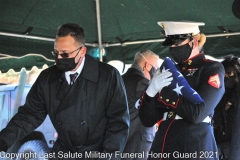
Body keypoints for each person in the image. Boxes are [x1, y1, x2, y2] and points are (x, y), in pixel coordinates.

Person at [0, 23, 130, 159]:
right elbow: (29, 116)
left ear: (82, 51)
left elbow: (118, 122)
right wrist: (3, 141)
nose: (59, 58)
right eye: (56, 53)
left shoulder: (107, 76)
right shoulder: (47, 79)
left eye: (65, 54)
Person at [138, 21, 225, 160]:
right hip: (164, 142)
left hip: (194, 143)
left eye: (177, 44)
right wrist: (150, 93)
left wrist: (164, 94)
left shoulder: (211, 68)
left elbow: (197, 114)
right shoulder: (170, 70)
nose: (173, 49)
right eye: (171, 45)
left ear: (194, 42)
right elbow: (147, 120)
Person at [122, 50, 160, 160]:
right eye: (156, 69)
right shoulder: (141, 82)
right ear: (147, 65)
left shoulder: (121, 79)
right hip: (137, 141)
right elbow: (154, 108)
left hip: (123, 138)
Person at [213, 55, 240, 160]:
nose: (227, 77)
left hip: (234, 145)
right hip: (219, 143)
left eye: (230, 73)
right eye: (224, 74)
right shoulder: (217, 93)